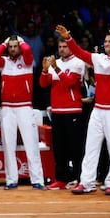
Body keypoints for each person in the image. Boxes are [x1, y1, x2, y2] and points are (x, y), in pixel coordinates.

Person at [56, 24, 110, 196]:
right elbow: (79, 52)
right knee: (90, 146)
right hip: (98, 110)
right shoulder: (99, 59)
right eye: (105, 41)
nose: (107, 44)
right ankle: (87, 182)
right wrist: (68, 38)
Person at [0, 35, 45, 190]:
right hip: (7, 108)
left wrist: (20, 41)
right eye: (11, 47)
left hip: (24, 107)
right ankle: (11, 180)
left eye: (16, 46)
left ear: (20, 47)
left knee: (31, 144)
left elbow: (27, 50)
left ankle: (37, 179)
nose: (13, 49)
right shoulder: (4, 63)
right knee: (8, 145)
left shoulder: (28, 61)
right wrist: (5, 42)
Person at [39, 38, 85, 190]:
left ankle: (79, 178)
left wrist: (56, 68)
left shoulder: (78, 62)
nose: (62, 49)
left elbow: (71, 83)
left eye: (65, 46)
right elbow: (43, 84)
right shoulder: (55, 63)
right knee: (59, 148)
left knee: (75, 148)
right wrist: (45, 70)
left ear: (71, 47)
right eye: (60, 47)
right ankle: (61, 179)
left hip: (73, 110)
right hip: (57, 110)